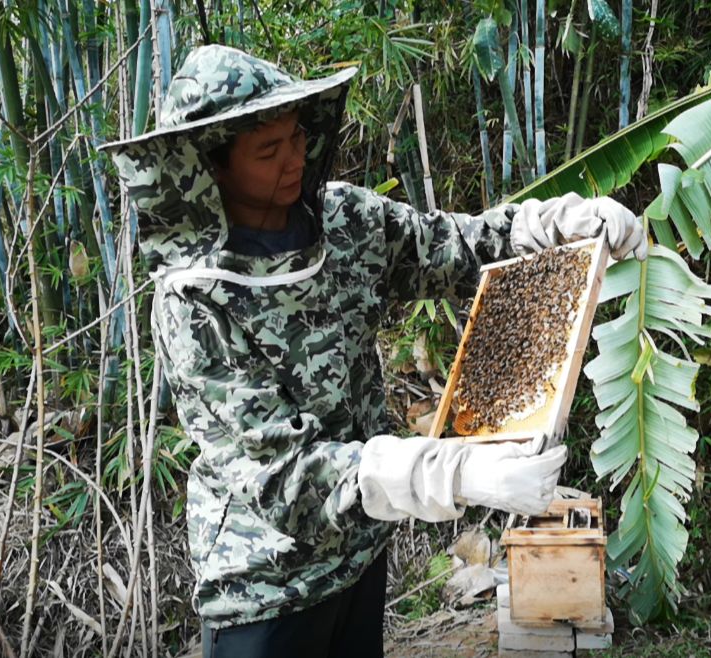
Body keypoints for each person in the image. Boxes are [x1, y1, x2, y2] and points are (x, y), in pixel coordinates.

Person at [101, 45, 646, 658]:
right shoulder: (197, 302)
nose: (293, 157)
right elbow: (286, 479)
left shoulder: (345, 218)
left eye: (297, 136)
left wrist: (549, 225)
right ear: (212, 166)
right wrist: (450, 472)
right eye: (267, 150)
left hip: (359, 560)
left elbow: (451, 247)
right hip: (265, 590)